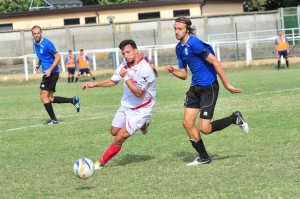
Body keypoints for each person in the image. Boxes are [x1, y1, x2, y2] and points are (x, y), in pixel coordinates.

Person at [165, 17, 249, 166]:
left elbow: (215, 61)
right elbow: (184, 75)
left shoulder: (195, 43)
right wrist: (173, 71)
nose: (176, 31)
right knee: (187, 123)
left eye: (180, 29)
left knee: (205, 129)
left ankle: (235, 118)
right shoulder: (179, 48)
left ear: (187, 30)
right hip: (195, 87)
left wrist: (226, 84)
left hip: (208, 86)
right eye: (175, 28)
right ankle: (204, 157)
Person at [82, 39, 156, 170]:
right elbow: (113, 81)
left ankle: (100, 162)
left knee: (119, 138)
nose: (126, 55)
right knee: (114, 131)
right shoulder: (124, 65)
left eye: (128, 52)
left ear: (135, 51)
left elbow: (139, 93)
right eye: (123, 53)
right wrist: (94, 84)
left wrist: (126, 77)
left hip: (141, 110)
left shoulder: (145, 69)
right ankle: (144, 124)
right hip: (126, 106)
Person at [32, 25, 80, 125]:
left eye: (38, 33)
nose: (36, 35)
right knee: (49, 98)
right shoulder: (35, 44)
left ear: (41, 33)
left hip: (52, 73)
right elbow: (42, 56)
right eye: (34, 33)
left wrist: (49, 69)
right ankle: (73, 100)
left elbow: (57, 57)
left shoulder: (47, 43)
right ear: (32, 34)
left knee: (43, 97)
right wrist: (38, 64)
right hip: (48, 73)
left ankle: (54, 120)